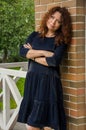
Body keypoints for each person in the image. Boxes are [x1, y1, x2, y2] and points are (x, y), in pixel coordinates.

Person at [17, 6, 72, 130]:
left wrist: (32, 54)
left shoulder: (60, 40)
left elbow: (53, 61)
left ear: (61, 25)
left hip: (48, 83)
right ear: (48, 16)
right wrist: (44, 52)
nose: (53, 22)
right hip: (33, 81)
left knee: (38, 125)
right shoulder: (35, 35)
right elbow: (22, 51)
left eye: (58, 21)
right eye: (52, 17)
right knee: (40, 123)